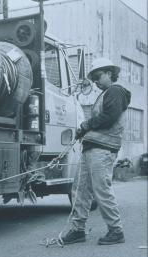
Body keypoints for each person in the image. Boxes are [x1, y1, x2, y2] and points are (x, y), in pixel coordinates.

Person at [61, 57, 131, 245]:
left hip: (103, 150)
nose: (96, 82)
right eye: (94, 79)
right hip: (92, 149)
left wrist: (85, 125)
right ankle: (77, 230)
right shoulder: (106, 93)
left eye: (98, 76)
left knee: (102, 190)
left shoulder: (116, 91)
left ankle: (116, 231)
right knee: (80, 190)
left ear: (109, 73)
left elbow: (109, 117)